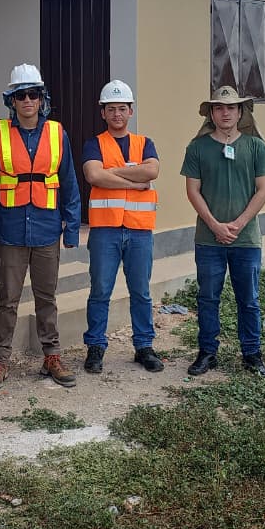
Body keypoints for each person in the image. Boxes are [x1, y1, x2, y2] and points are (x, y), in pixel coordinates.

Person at [0, 63, 82, 389]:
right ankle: (0, 360)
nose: (27, 100)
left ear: (42, 99)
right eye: (20, 95)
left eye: (33, 95)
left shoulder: (57, 133)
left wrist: (72, 226)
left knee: (46, 296)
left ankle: (51, 354)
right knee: (7, 299)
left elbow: (69, 181)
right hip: (10, 229)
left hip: (46, 227)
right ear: (12, 100)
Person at [180, 85, 265, 379]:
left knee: (249, 299)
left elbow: (263, 190)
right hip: (209, 240)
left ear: (240, 112)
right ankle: (207, 352)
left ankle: (252, 354)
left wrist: (238, 224)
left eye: (231, 108)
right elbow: (193, 191)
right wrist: (215, 225)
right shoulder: (197, 148)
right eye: (219, 108)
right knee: (208, 298)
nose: (225, 112)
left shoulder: (257, 147)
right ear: (211, 112)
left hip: (246, 240)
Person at [81, 80, 164, 374]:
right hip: (105, 230)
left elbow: (152, 170)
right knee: (100, 290)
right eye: (111, 109)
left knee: (140, 291)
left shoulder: (145, 143)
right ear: (103, 113)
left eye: (122, 109)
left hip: (140, 230)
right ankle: (95, 346)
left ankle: (144, 346)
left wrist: (111, 172)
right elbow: (93, 176)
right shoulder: (94, 143)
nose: (117, 114)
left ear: (131, 111)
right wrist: (134, 178)